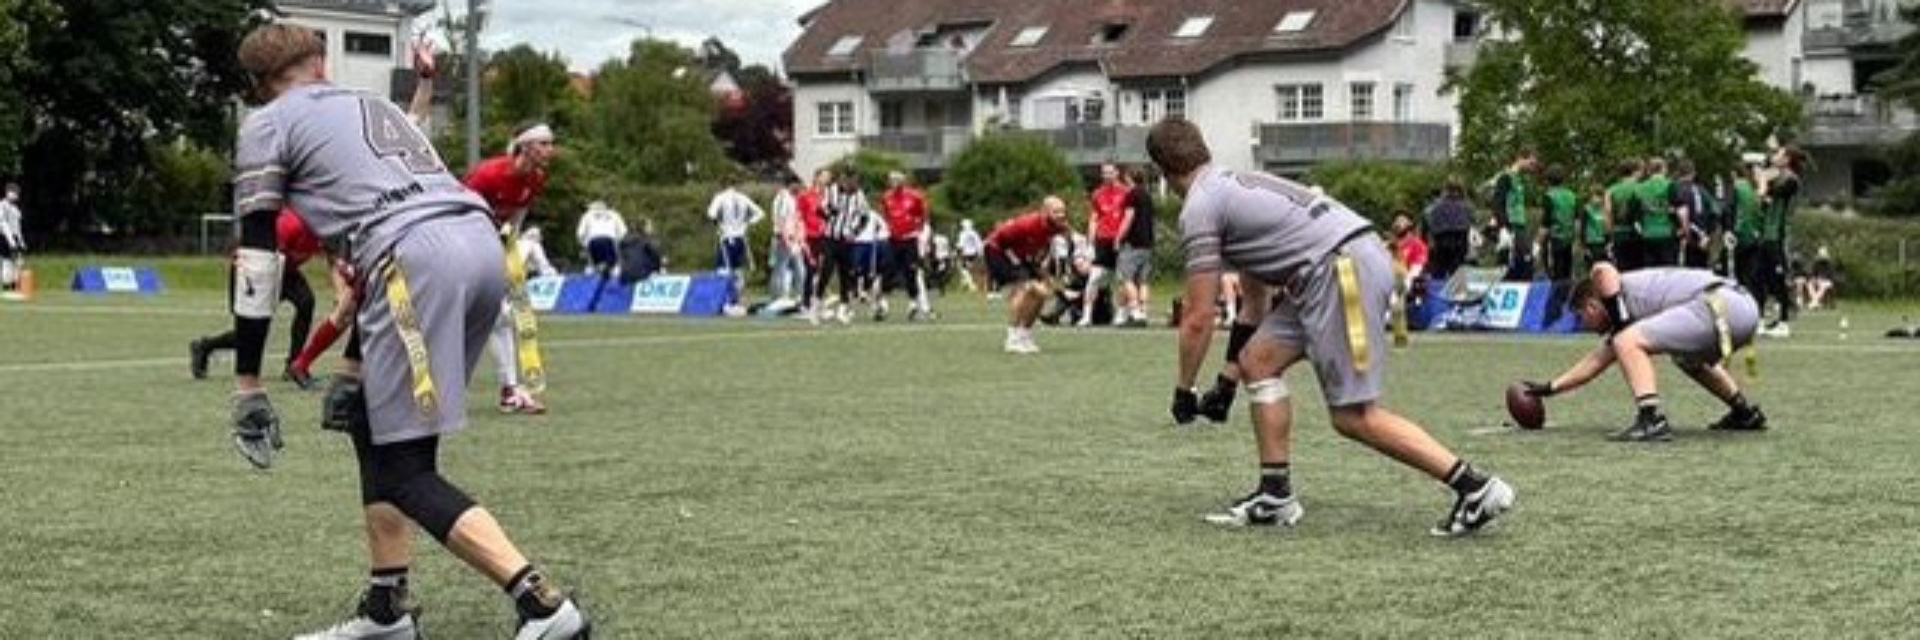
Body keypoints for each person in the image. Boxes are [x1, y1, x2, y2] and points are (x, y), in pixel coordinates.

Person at [230, 24, 589, 639]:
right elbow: (391, 216)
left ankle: (544, 605)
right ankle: (387, 610)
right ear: (320, 62)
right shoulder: (369, 106)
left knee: (405, 471)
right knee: (375, 427)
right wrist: (352, 365)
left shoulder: (266, 122)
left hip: (414, 258)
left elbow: (260, 260)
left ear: (260, 86)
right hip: (478, 246)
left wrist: (246, 383)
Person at [1148, 117, 1515, 537]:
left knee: (1353, 416)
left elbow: (1197, 317)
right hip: (1336, 265)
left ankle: (1474, 487)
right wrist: (1227, 383)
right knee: (1258, 362)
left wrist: (1184, 390)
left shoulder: (1200, 207)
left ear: (1161, 169)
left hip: (1340, 273)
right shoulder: (1235, 186)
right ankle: (1275, 495)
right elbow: (1255, 300)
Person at [1518, 263, 1767, 442]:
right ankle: (1744, 413)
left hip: (1720, 304)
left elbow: (1602, 269)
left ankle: (1650, 420)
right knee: (1684, 358)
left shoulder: (1612, 292)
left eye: (1583, 317)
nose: (1585, 326)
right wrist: (1550, 388)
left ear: (1592, 306)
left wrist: (1622, 323)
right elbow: (1597, 361)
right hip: (1742, 308)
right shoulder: (1622, 316)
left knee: (1627, 340)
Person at [464, 121, 557, 415]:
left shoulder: (537, 179)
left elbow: (515, 219)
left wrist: (507, 249)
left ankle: (510, 390)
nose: (549, 150)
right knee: (473, 318)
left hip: (491, 247)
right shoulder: (488, 175)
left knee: (499, 318)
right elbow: (457, 213)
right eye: (543, 143)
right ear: (525, 146)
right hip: (462, 245)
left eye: (550, 143)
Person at [191, 209, 326, 387]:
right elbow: (268, 254)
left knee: (306, 302)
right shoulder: (291, 224)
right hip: (252, 268)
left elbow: (333, 256)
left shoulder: (325, 229)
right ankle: (205, 346)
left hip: (285, 271)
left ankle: (295, 364)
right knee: (252, 330)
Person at [986, 197, 1073, 354]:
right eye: (1056, 211)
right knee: (1025, 289)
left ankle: (1025, 334)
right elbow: (1000, 240)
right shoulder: (1027, 224)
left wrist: (1040, 269)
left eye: (1062, 211)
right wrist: (1020, 268)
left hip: (1023, 256)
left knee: (1042, 293)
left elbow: (1044, 247)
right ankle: (1012, 338)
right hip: (998, 251)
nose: (1061, 215)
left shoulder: (1059, 226)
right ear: (1045, 211)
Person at [1756, 146, 1805, 338]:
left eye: (1779, 154)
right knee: (1760, 277)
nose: (1774, 157)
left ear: (1787, 159)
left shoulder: (1791, 181)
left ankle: (1784, 321)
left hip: (1779, 235)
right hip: (1767, 235)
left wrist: (1762, 179)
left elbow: (1765, 192)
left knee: (1780, 278)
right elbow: (1763, 199)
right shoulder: (1778, 177)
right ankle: (1761, 320)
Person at [879, 171, 934, 321]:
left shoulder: (914, 196)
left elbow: (922, 214)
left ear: (903, 181)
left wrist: (918, 229)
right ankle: (883, 303)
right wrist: (890, 227)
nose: (894, 182)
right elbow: (885, 214)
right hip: (893, 239)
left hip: (910, 239)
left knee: (911, 271)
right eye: (891, 180)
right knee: (888, 268)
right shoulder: (886, 197)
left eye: (897, 180)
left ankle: (913, 302)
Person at [817, 171, 870, 324]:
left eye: (853, 180)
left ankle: (842, 309)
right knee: (826, 271)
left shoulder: (859, 195)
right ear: (841, 179)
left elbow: (864, 217)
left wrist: (855, 232)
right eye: (846, 179)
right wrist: (830, 214)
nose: (849, 183)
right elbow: (819, 210)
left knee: (846, 275)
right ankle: (817, 305)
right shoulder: (831, 190)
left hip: (847, 240)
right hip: (830, 238)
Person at [1082, 163, 1131, 326]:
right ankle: (1087, 316)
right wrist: (1090, 243)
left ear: (1117, 173)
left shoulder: (1126, 192)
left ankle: (1121, 314)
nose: (1106, 175)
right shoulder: (1097, 194)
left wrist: (1122, 237)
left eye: (1110, 172)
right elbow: (1094, 219)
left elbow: (1129, 217)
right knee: (1094, 278)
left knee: (1121, 279)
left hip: (1120, 241)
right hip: (1102, 241)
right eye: (1104, 173)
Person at [707, 179, 765, 309]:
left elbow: (711, 214)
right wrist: (747, 224)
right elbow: (760, 213)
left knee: (723, 269)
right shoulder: (743, 197)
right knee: (738, 269)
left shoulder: (720, 197)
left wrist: (719, 226)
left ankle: (724, 301)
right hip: (741, 238)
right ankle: (736, 299)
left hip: (727, 237)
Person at [1116, 167, 1157, 326]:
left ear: (1128, 177)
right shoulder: (1147, 195)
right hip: (1148, 243)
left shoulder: (1131, 194)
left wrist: (1119, 237)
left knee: (1127, 278)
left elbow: (1128, 218)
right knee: (1143, 281)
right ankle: (1144, 312)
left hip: (1133, 243)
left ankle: (1135, 312)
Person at [1490, 150, 1538, 281]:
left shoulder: (1520, 180)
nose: (1532, 167)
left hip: (1520, 226)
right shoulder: (1505, 177)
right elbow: (1497, 204)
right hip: (1509, 227)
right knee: (1507, 264)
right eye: (1531, 163)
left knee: (1525, 263)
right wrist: (1503, 228)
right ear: (1520, 158)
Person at [575, 200, 627, 309]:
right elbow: (623, 232)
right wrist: (617, 245)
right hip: (609, 241)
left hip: (593, 242)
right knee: (614, 266)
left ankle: (591, 276)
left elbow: (580, 233)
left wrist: (585, 245)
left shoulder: (588, 215)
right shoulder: (614, 214)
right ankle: (615, 292)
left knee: (594, 266)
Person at [1422, 179, 1475, 282]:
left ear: (1445, 190)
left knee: (1439, 274)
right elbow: (1471, 221)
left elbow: (1429, 224)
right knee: (1457, 275)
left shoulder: (1435, 207)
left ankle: (1438, 295)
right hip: (1460, 243)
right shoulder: (1466, 206)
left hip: (1440, 243)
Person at [768, 178, 808, 304]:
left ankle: (799, 295)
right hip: (783, 237)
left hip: (793, 238)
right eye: (799, 185)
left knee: (800, 267)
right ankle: (777, 297)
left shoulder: (792, 198)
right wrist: (785, 236)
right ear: (792, 184)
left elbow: (795, 218)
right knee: (781, 267)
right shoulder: (783, 197)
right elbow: (780, 219)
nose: (800, 188)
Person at [1636, 158, 1680, 268]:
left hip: (1648, 234)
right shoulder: (1670, 185)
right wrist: (1683, 228)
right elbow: (1679, 210)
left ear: (1649, 171)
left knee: (1650, 272)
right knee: (1668, 272)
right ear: (1663, 169)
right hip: (1666, 233)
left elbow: (1636, 213)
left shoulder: (1640, 187)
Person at [1540, 165, 1579, 282]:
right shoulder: (1572, 195)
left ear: (1548, 180)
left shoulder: (1549, 196)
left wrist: (1540, 242)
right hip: (1569, 238)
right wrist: (1575, 239)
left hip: (1555, 239)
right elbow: (1576, 220)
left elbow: (1545, 222)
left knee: (1556, 273)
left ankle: (1557, 297)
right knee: (1567, 272)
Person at [1604, 159, 1645, 271]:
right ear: (1634, 171)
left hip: (1619, 234)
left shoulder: (1610, 190)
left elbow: (1608, 214)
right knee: (1638, 270)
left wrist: (1609, 235)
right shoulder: (1641, 188)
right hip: (1638, 235)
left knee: (1622, 270)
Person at [0, 182, 24, 293]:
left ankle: (15, 285)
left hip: (15, 237)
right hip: (5, 236)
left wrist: (21, 241)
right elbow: (3, 223)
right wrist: (11, 242)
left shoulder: (16, 209)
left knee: (19, 262)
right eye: (14, 191)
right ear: (8, 192)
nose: (16, 194)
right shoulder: (2, 205)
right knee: (7, 262)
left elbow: (18, 227)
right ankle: (6, 286)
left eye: (17, 192)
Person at [1800, 245, 1837, 310]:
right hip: (1818, 280)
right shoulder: (1816, 263)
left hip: (1828, 282)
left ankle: (1814, 302)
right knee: (1809, 284)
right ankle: (1816, 302)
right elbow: (1813, 273)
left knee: (1823, 286)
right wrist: (1814, 278)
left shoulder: (1829, 264)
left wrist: (1822, 279)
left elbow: (1831, 275)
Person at [956, 218, 984, 293]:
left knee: (963, 269)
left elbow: (960, 245)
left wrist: (959, 254)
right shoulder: (975, 233)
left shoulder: (963, 233)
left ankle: (971, 285)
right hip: (974, 253)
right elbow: (979, 244)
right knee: (972, 270)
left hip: (965, 253)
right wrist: (980, 253)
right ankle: (966, 283)